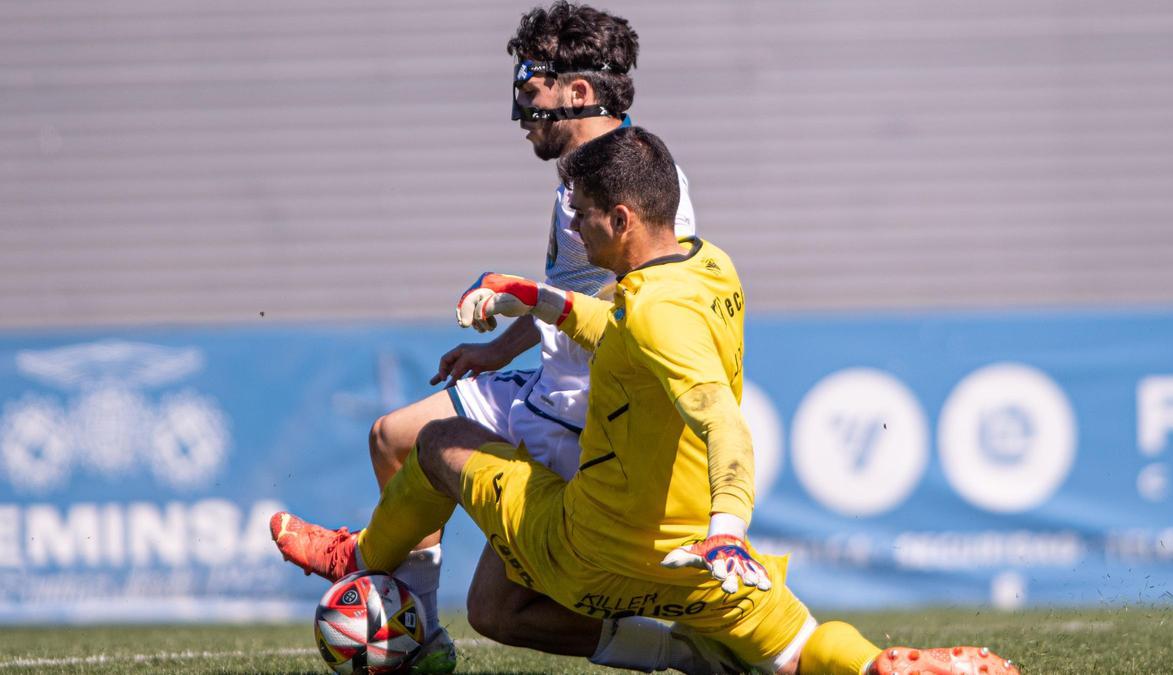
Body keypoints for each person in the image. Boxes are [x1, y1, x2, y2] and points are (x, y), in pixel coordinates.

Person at [272, 127, 1021, 675]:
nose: (577, 228)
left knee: (436, 443)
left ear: (622, 219)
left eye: (585, 216)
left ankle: (362, 555)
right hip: (698, 566)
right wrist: (524, 295)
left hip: (589, 548)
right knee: (799, 651)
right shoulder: (711, 269)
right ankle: (879, 667)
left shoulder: (656, 310)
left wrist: (732, 522)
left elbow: (723, 420)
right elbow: (617, 330)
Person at [280, 3, 722, 673]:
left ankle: (683, 654)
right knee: (391, 437)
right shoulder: (580, 177)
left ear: (578, 92)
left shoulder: (647, 182)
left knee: (497, 612)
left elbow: (650, 303)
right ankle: (419, 630)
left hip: (585, 422)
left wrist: (520, 297)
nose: (521, 113)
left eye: (530, 91)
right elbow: (572, 294)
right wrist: (498, 348)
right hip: (546, 387)